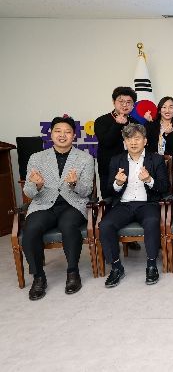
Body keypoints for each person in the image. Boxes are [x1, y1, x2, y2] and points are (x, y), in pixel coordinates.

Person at [22, 116, 95, 300]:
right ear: (51, 134)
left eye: (67, 132)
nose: (62, 135)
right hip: (44, 204)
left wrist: (74, 184)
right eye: (58, 131)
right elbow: (28, 192)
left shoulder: (85, 158)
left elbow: (87, 190)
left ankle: (73, 272)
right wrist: (37, 185)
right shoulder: (36, 158)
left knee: (68, 225)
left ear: (74, 136)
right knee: (31, 228)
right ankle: (38, 277)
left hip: (73, 204)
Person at [99, 124, 169, 288]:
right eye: (129, 139)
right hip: (124, 204)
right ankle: (116, 267)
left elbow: (164, 187)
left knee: (152, 221)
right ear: (124, 142)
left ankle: (151, 265)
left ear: (145, 141)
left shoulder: (156, 159)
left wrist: (149, 180)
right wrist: (117, 183)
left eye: (137, 138)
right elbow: (108, 190)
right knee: (105, 225)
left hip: (147, 204)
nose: (133, 142)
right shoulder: (116, 160)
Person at [94, 86, 138, 199]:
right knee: (110, 201)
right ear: (114, 102)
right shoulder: (101, 121)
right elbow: (106, 142)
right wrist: (117, 124)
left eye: (128, 102)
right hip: (109, 169)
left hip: (132, 169)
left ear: (133, 105)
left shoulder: (135, 123)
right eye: (121, 101)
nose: (125, 105)